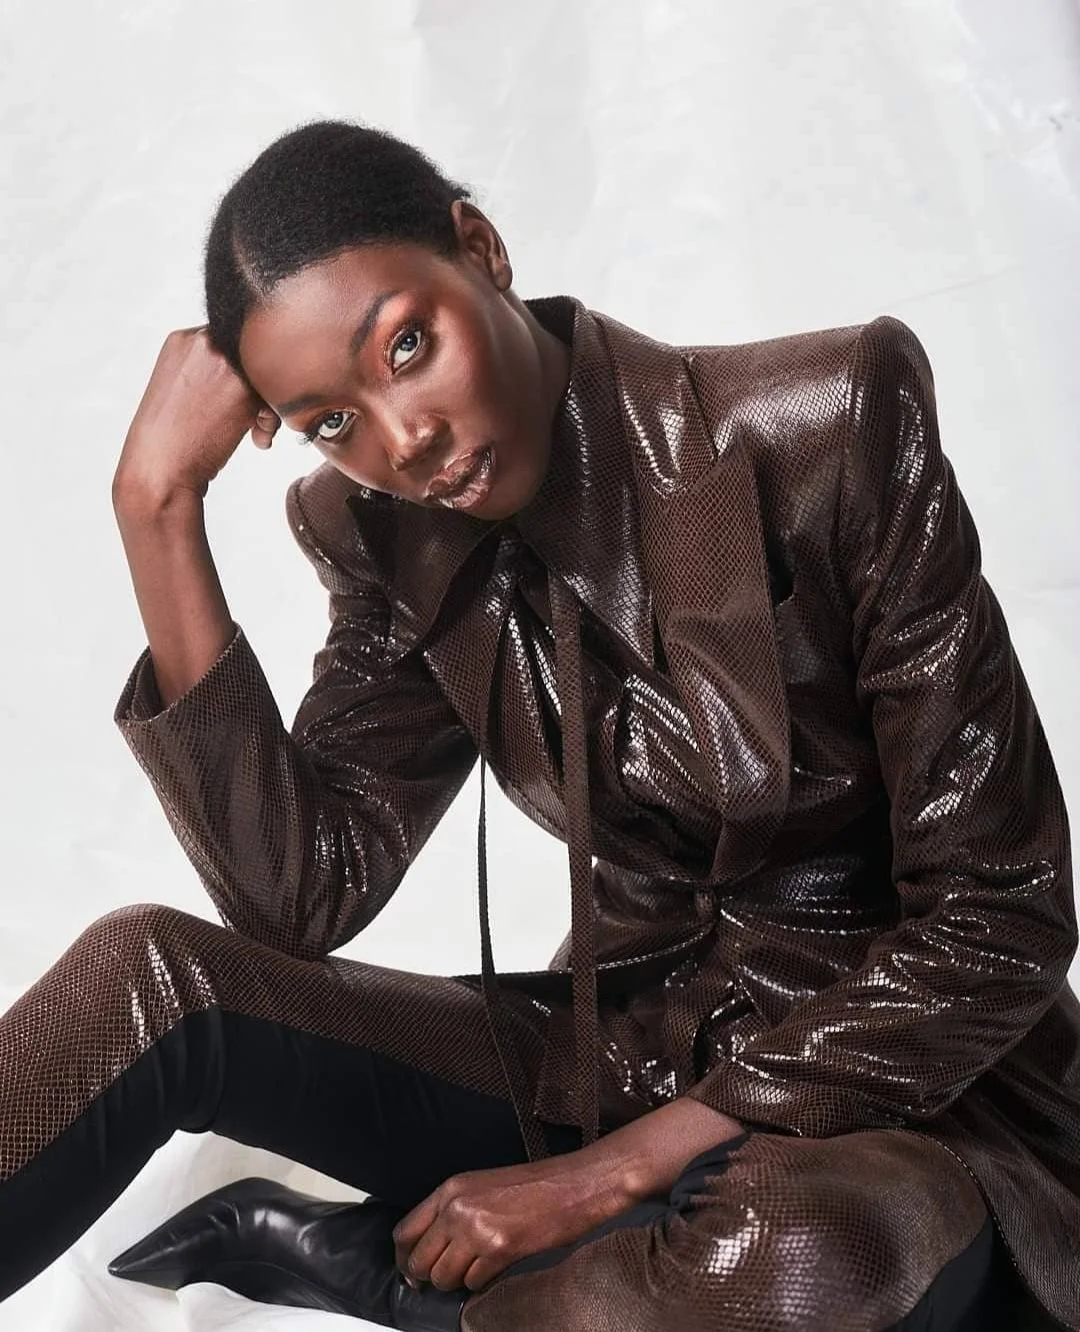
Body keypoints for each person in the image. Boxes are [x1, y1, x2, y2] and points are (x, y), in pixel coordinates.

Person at [0, 118, 1076, 1332]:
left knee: (798, 1249)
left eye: (408, 344)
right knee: (151, 975)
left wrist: (614, 1172)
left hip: (903, 1099)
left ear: (483, 249)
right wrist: (156, 509)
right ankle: (602, 1264)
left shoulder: (831, 419)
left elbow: (1004, 915)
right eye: (331, 421)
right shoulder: (382, 535)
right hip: (611, 1051)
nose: (401, 441)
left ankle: (410, 1283)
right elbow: (297, 896)